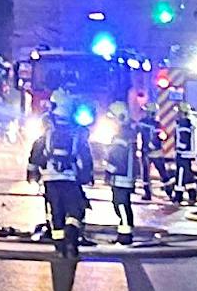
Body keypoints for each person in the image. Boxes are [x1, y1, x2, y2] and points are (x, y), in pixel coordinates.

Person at [26, 88, 94, 261]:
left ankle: (59, 246)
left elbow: (37, 148)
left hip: (49, 177)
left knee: (56, 211)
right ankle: (71, 237)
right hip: (70, 177)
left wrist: (32, 170)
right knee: (75, 210)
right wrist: (87, 174)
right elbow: (85, 154)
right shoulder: (76, 130)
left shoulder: (48, 126)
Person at [101, 101, 138, 244]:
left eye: (114, 118)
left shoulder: (121, 136)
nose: (113, 122)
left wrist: (108, 172)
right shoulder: (127, 133)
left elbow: (116, 157)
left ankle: (125, 235)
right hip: (126, 176)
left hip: (121, 177)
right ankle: (124, 233)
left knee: (121, 204)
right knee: (122, 204)